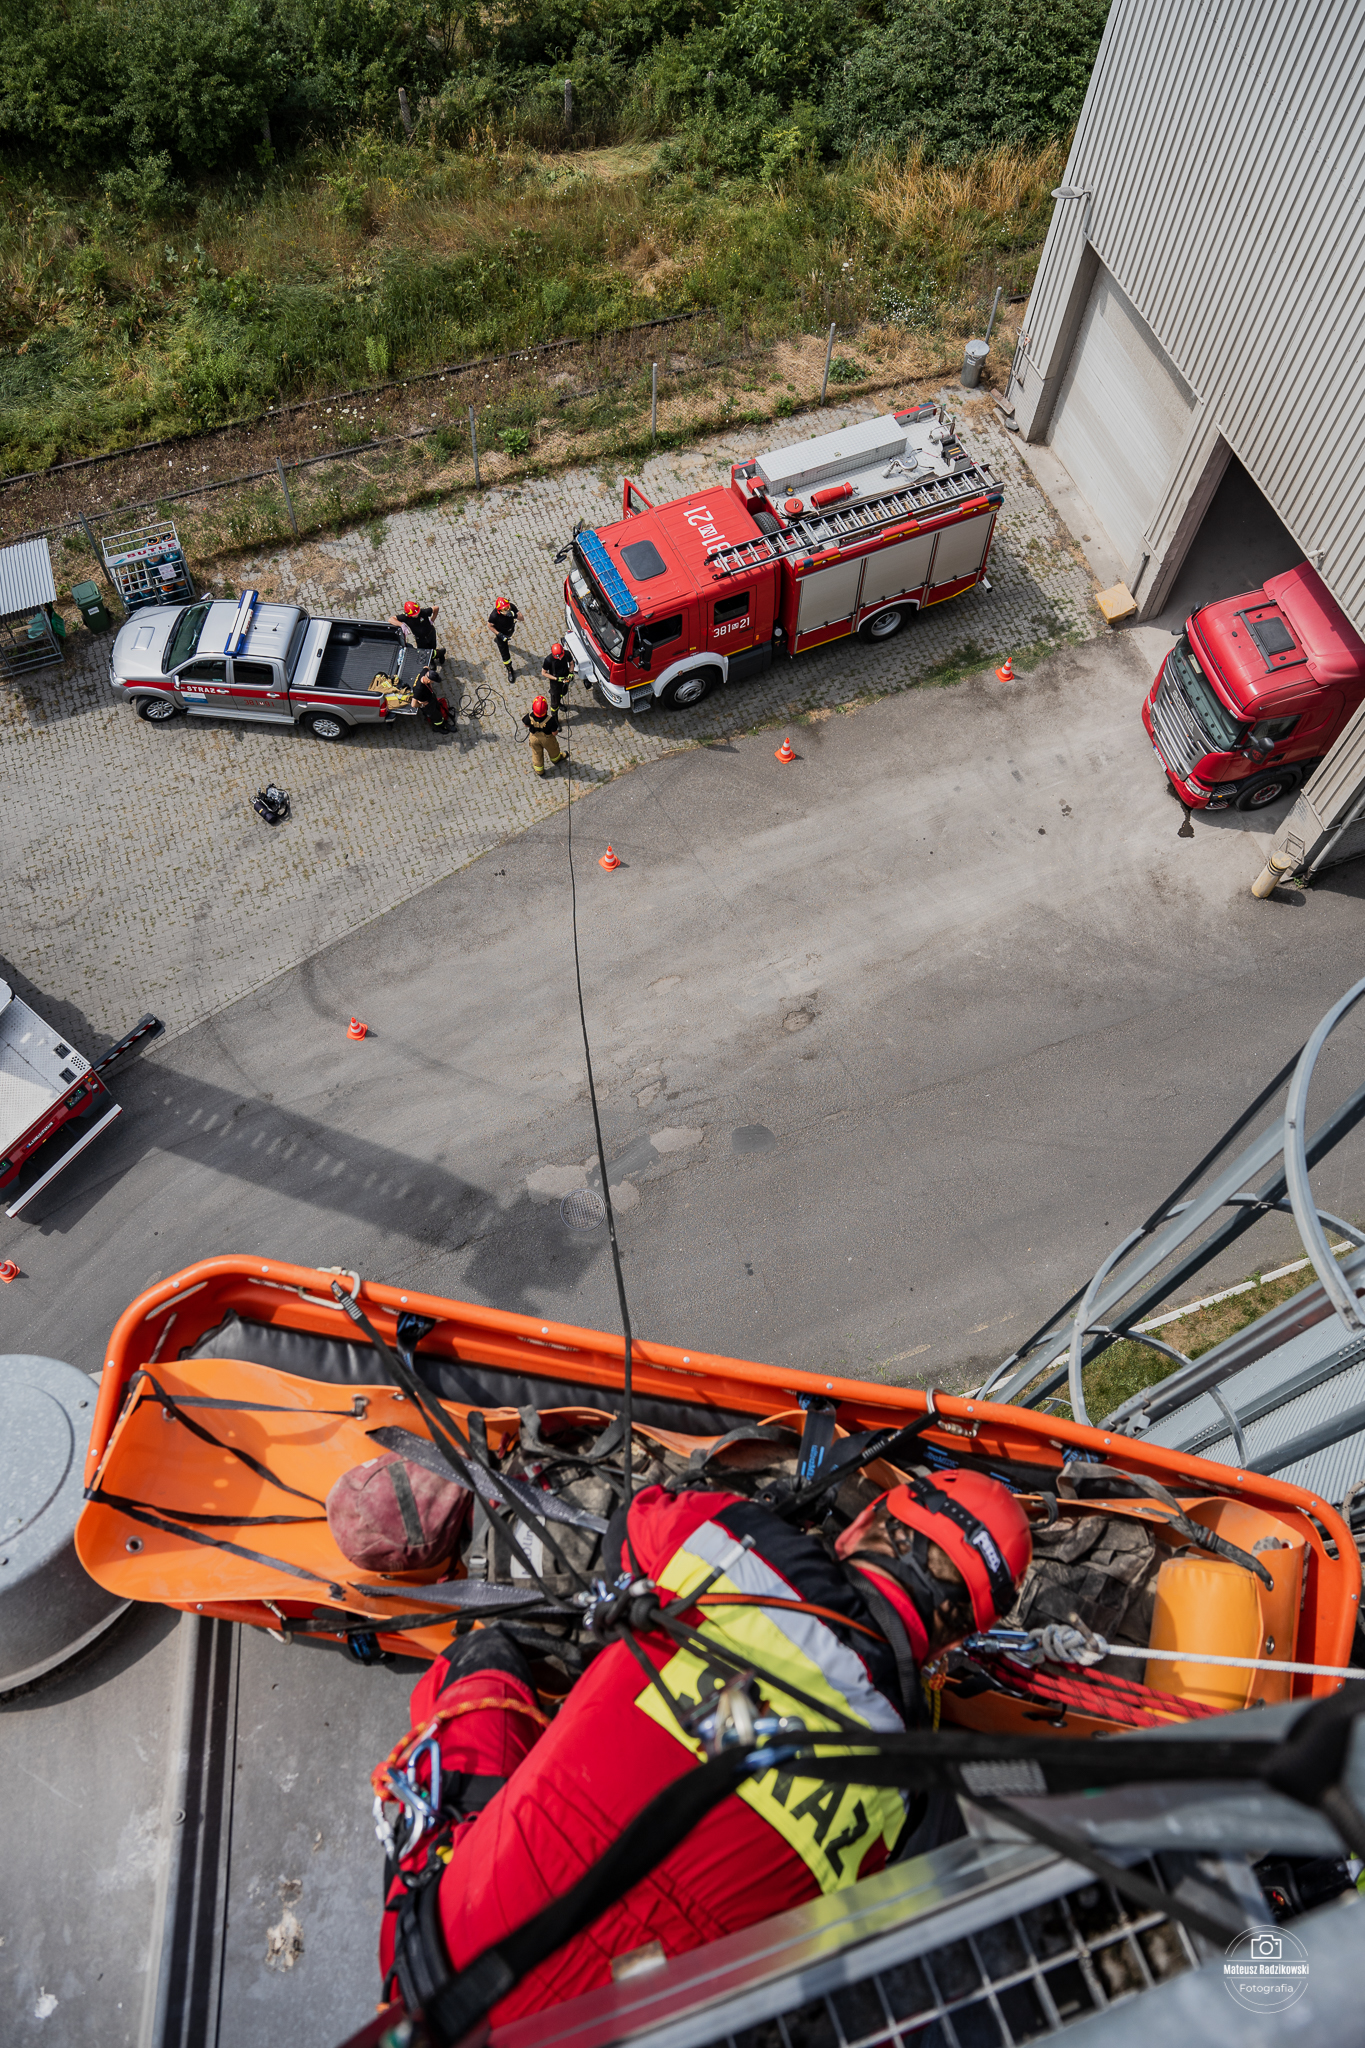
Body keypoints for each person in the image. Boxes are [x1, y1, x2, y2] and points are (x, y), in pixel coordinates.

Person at [376, 1470, 1030, 2033]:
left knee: (482, 1658)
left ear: (861, 1525)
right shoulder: (910, 1790)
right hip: (605, 2021)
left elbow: (628, 1535)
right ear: (953, 1642)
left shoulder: (734, 1541)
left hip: (434, 1966)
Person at [522, 694, 564, 775]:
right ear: (546, 708)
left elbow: (525, 725)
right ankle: (556, 759)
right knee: (553, 749)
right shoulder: (550, 720)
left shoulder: (529, 717)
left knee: (536, 754)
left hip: (534, 738)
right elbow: (554, 733)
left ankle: (539, 770)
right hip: (547, 740)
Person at [486, 596, 520, 681]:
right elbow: (489, 625)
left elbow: (522, 618)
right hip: (501, 635)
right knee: (505, 654)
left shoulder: (511, 607)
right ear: (499, 611)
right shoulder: (494, 616)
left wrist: (514, 615)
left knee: (509, 636)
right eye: (504, 610)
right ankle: (509, 670)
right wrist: (499, 635)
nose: (507, 611)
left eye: (507, 608)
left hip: (510, 630)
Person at [540, 640, 575, 713]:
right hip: (555, 682)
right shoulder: (548, 660)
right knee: (554, 703)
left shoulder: (567, 654)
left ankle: (559, 703)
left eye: (561, 656)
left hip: (565, 678)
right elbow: (543, 673)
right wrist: (556, 678)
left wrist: (571, 673)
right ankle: (554, 715)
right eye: (557, 657)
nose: (560, 659)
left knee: (563, 692)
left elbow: (571, 663)